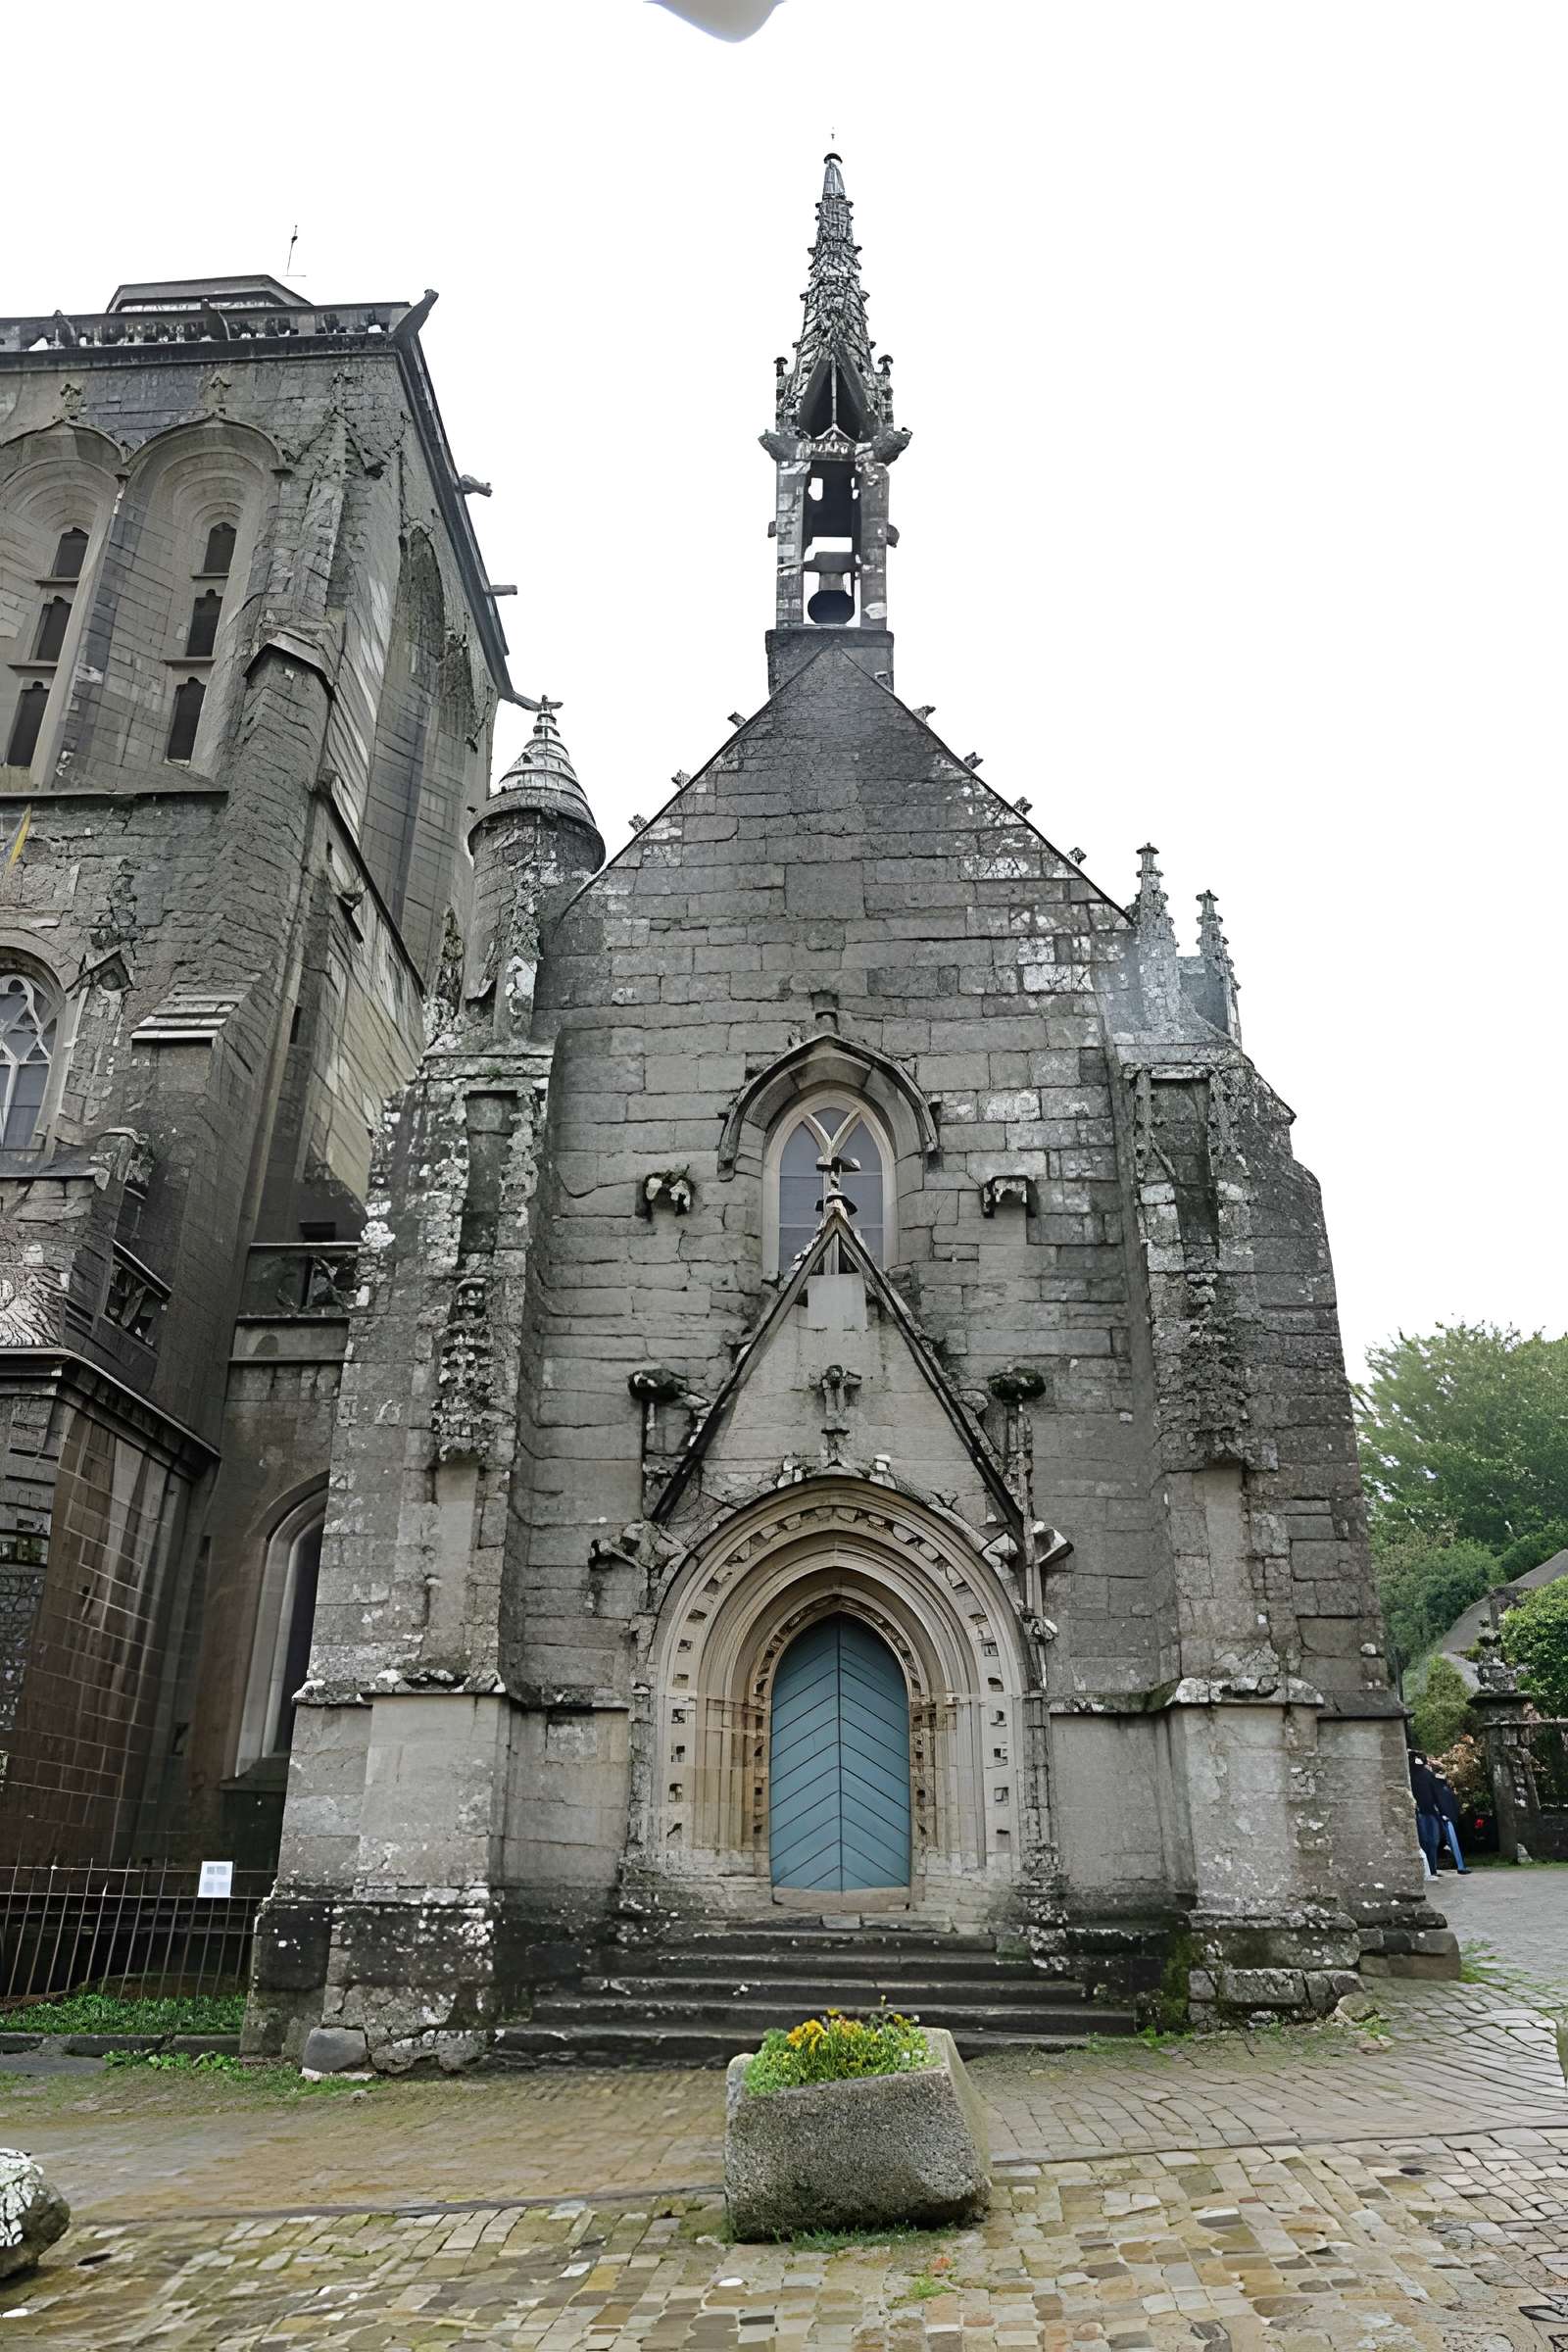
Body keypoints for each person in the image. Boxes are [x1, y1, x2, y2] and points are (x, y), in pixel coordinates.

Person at [1408, 1751, 1443, 1876]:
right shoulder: (1414, 1774)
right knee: (1427, 1841)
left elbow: (1436, 1791)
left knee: (1431, 1841)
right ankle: (1430, 1870)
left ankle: (1431, 1869)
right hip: (1422, 1811)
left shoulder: (1426, 1774)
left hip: (1429, 1812)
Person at [1433, 1769, 1469, 1873]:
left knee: (1435, 1843)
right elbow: (1454, 1805)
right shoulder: (1447, 1790)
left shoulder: (1439, 1790)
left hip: (1443, 1818)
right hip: (1449, 1818)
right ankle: (1460, 1866)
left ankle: (1434, 1867)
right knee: (1453, 1843)